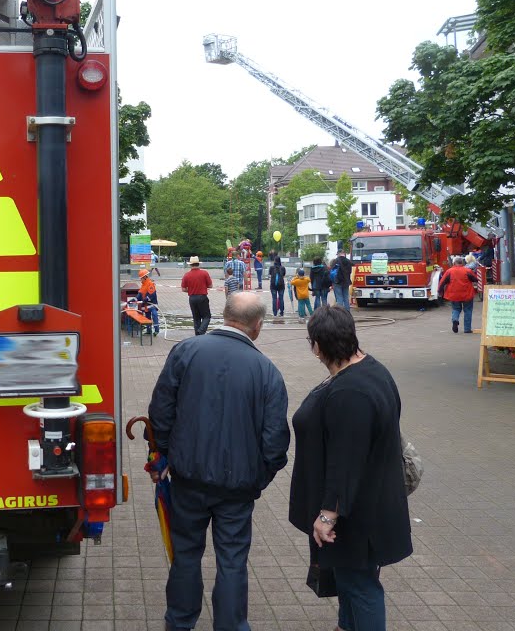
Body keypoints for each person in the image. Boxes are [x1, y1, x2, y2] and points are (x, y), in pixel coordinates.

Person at [149, 292, 290, 631]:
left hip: (187, 478)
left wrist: (163, 455)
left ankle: (179, 623)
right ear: (257, 326)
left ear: (224, 315)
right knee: (232, 562)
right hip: (237, 488)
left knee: (185, 555)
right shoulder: (267, 371)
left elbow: (160, 410)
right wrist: (259, 477)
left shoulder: (186, 351)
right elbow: (275, 440)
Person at [289, 305, 413, 631]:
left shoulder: (350, 393)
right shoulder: (371, 369)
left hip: (357, 514)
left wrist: (328, 514)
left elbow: (346, 460)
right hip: (370, 502)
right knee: (348, 577)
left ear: (317, 345)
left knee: (360, 585)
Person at [438, 256, 478, 334]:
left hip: (454, 295)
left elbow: (442, 282)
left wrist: (440, 291)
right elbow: (475, 279)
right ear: (462, 263)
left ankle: (455, 320)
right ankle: (467, 329)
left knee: (456, 309)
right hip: (467, 294)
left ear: (454, 263)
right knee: (468, 310)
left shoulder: (449, 271)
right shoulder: (467, 271)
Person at [181, 256, 213, 335]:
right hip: (202, 297)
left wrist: (191, 290)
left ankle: (197, 335)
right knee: (206, 317)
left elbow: (183, 289)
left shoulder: (186, 275)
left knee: (196, 318)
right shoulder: (204, 273)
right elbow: (210, 286)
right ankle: (201, 331)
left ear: (190, 265)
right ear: (198, 264)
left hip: (192, 298)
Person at [137, 268, 161, 336]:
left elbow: (151, 294)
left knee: (154, 315)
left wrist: (145, 299)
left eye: (141, 278)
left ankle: (156, 330)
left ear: (144, 277)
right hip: (145, 305)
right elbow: (140, 293)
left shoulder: (150, 284)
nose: (140, 279)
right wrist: (135, 299)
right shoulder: (143, 285)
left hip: (152, 304)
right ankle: (148, 330)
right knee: (147, 317)